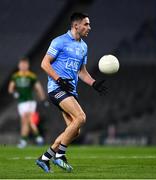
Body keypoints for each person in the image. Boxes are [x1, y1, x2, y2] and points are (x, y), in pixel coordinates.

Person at [36, 12, 107, 173]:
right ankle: (59, 156)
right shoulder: (60, 41)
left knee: (75, 130)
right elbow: (44, 63)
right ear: (76, 25)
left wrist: (94, 83)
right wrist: (59, 79)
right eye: (86, 24)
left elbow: (82, 72)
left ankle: (45, 158)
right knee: (81, 117)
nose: (89, 27)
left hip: (70, 91)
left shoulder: (83, 46)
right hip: (57, 89)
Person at [8, 57, 47, 148]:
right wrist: (15, 93)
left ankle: (24, 141)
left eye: (25, 65)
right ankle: (38, 138)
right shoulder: (15, 76)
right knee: (26, 121)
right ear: (19, 65)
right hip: (21, 102)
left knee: (27, 119)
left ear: (28, 65)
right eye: (22, 64)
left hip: (30, 101)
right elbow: (10, 89)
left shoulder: (31, 76)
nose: (23, 66)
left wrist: (43, 99)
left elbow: (38, 88)